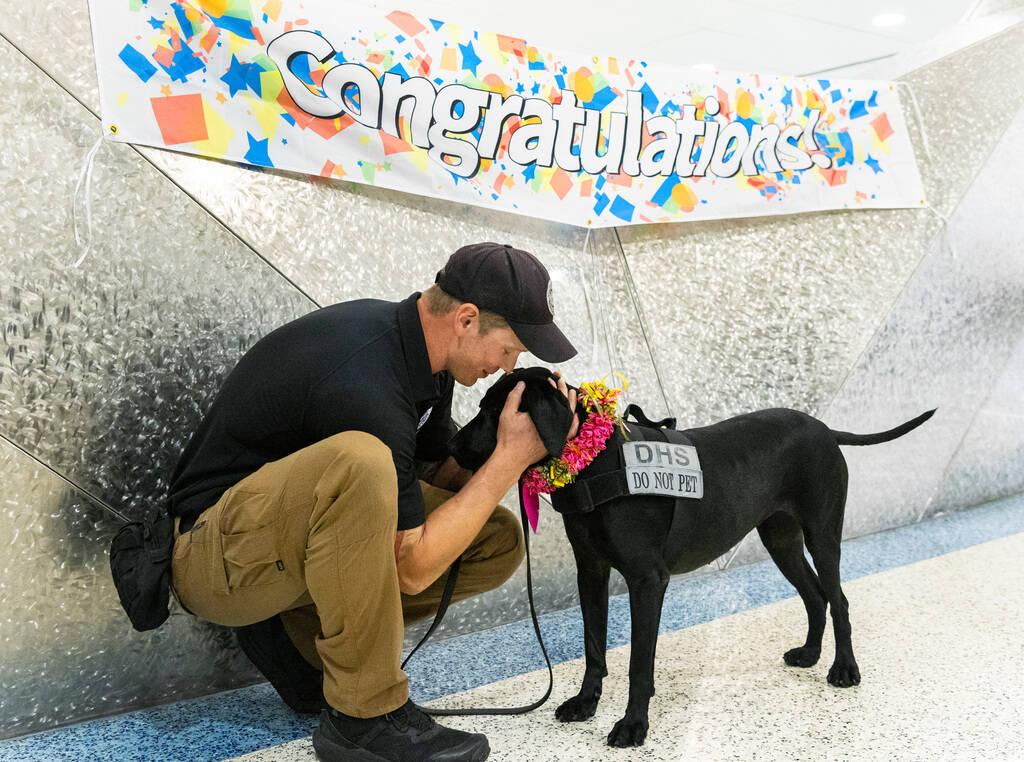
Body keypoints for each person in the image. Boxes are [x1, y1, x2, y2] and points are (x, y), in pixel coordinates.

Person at [168, 242, 578, 761]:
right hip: (212, 559)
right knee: (362, 463)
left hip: (279, 547)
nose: (508, 365)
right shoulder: (365, 379)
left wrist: (498, 439)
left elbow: (428, 483)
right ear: (467, 319)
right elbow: (410, 567)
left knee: (493, 539)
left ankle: (303, 639)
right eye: (511, 349)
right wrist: (509, 462)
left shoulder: (425, 362)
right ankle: (364, 717)